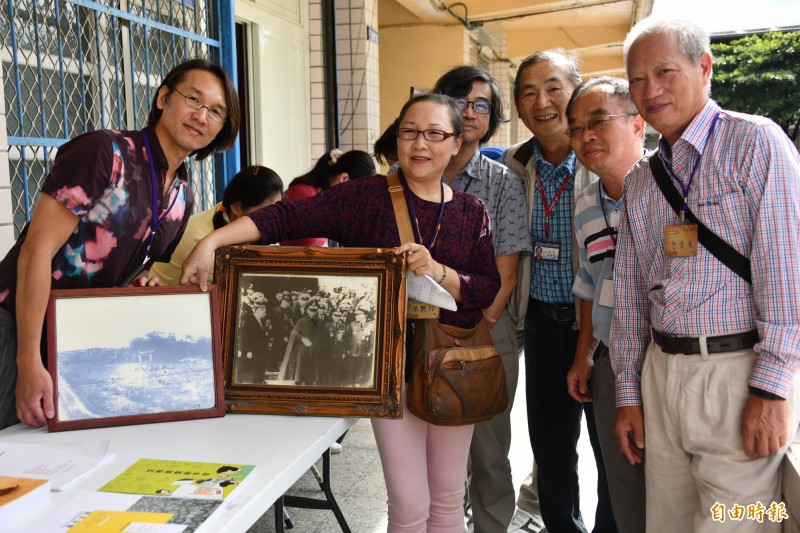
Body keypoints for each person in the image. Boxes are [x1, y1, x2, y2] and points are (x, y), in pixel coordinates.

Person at [180, 93, 500, 532]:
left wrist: (438, 271)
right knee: (409, 505)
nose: (419, 144)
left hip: (450, 366)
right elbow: (284, 218)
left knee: (446, 499)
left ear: (456, 142)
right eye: (409, 132)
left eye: (434, 133)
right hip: (387, 369)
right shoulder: (364, 198)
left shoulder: (471, 211)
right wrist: (210, 243)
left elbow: (486, 288)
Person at [611, 17, 800, 533]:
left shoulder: (757, 142)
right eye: (636, 80)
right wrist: (628, 394)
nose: (650, 90)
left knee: (737, 523)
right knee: (666, 524)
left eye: (665, 71)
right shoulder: (641, 179)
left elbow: (786, 274)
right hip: (661, 373)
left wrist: (773, 388)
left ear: (704, 67)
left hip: (737, 376)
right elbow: (629, 296)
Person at [0, 58, 240, 430]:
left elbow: (135, 263)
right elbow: (37, 250)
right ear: (163, 97)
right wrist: (28, 360)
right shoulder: (104, 152)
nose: (201, 116)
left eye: (215, 112)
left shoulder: (182, 196)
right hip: (16, 327)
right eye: (193, 99)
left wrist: (138, 282)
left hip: (76, 347)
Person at [502, 49, 615, 533]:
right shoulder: (513, 166)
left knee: (611, 451)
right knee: (550, 448)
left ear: (575, 93)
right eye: (528, 92)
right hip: (543, 324)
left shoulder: (603, 160)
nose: (541, 101)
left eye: (553, 87)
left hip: (605, 330)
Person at [431, 65, 531, 533]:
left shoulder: (503, 182)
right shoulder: (404, 175)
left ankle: (491, 526)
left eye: (482, 105)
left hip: (486, 329)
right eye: (460, 100)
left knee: (489, 452)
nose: (469, 112)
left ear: (491, 118)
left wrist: (472, 326)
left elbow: (505, 274)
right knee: (429, 448)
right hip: (416, 329)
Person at [565, 76, 647, 533]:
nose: (585, 136)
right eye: (575, 128)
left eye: (598, 121)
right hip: (613, 363)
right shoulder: (584, 205)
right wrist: (584, 355)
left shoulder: (672, 190)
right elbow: (590, 285)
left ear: (638, 123)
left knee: (680, 488)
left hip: (669, 359)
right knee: (624, 486)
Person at [149, 165, 283, 285]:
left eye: (277, 208)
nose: (273, 217)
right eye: (268, 210)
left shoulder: (224, 211)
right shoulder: (202, 242)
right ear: (236, 207)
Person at [280, 149, 377, 247]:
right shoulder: (304, 194)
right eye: (358, 193)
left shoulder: (325, 202)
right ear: (344, 179)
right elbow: (302, 244)